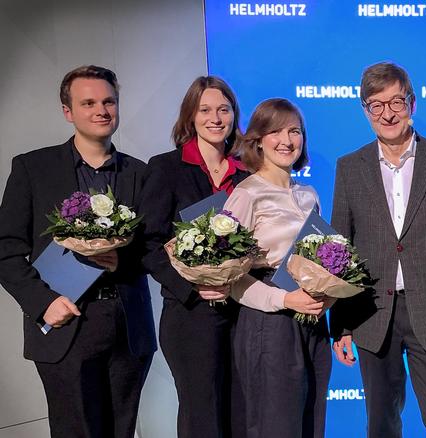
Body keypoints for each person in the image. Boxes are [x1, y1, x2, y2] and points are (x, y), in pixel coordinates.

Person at [329, 61, 426, 438]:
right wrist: (343, 325)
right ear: (365, 111)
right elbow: (338, 253)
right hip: (371, 315)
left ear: (412, 104)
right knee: (380, 424)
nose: (387, 113)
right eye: (376, 105)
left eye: (396, 102)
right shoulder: (349, 167)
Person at [0, 65, 156, 437]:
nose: (101, 110)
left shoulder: (140, 173)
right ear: (68, 111)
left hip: (127, 324)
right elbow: (5, 249)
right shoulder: (33, 168)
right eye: (88, 103)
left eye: (108, 101)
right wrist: (43, 302)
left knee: (122, 430)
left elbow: (154, 246)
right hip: (64, 320)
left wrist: (123, 259)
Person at [139, 76, 248, 438]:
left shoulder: (246, 172)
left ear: (234, 115)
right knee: (202, 418)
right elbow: (148, 245)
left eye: (224, 109)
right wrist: (192, 288)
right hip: (190, 317)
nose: (215, 118)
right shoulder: (166, 167)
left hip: (243, 313)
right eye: (205, 110)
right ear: (190, 117)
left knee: (242, 415)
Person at [224, 98, 332, 438]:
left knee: (311, 424)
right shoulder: (246, 193)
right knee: (275, 427)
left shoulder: (309, 194)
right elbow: (229, 278)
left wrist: (329, 296)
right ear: (258, 139)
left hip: (312, 321)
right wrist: (284, 301)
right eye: (275, 131)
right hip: (268, 325)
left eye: (294, 131)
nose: (286, 140)